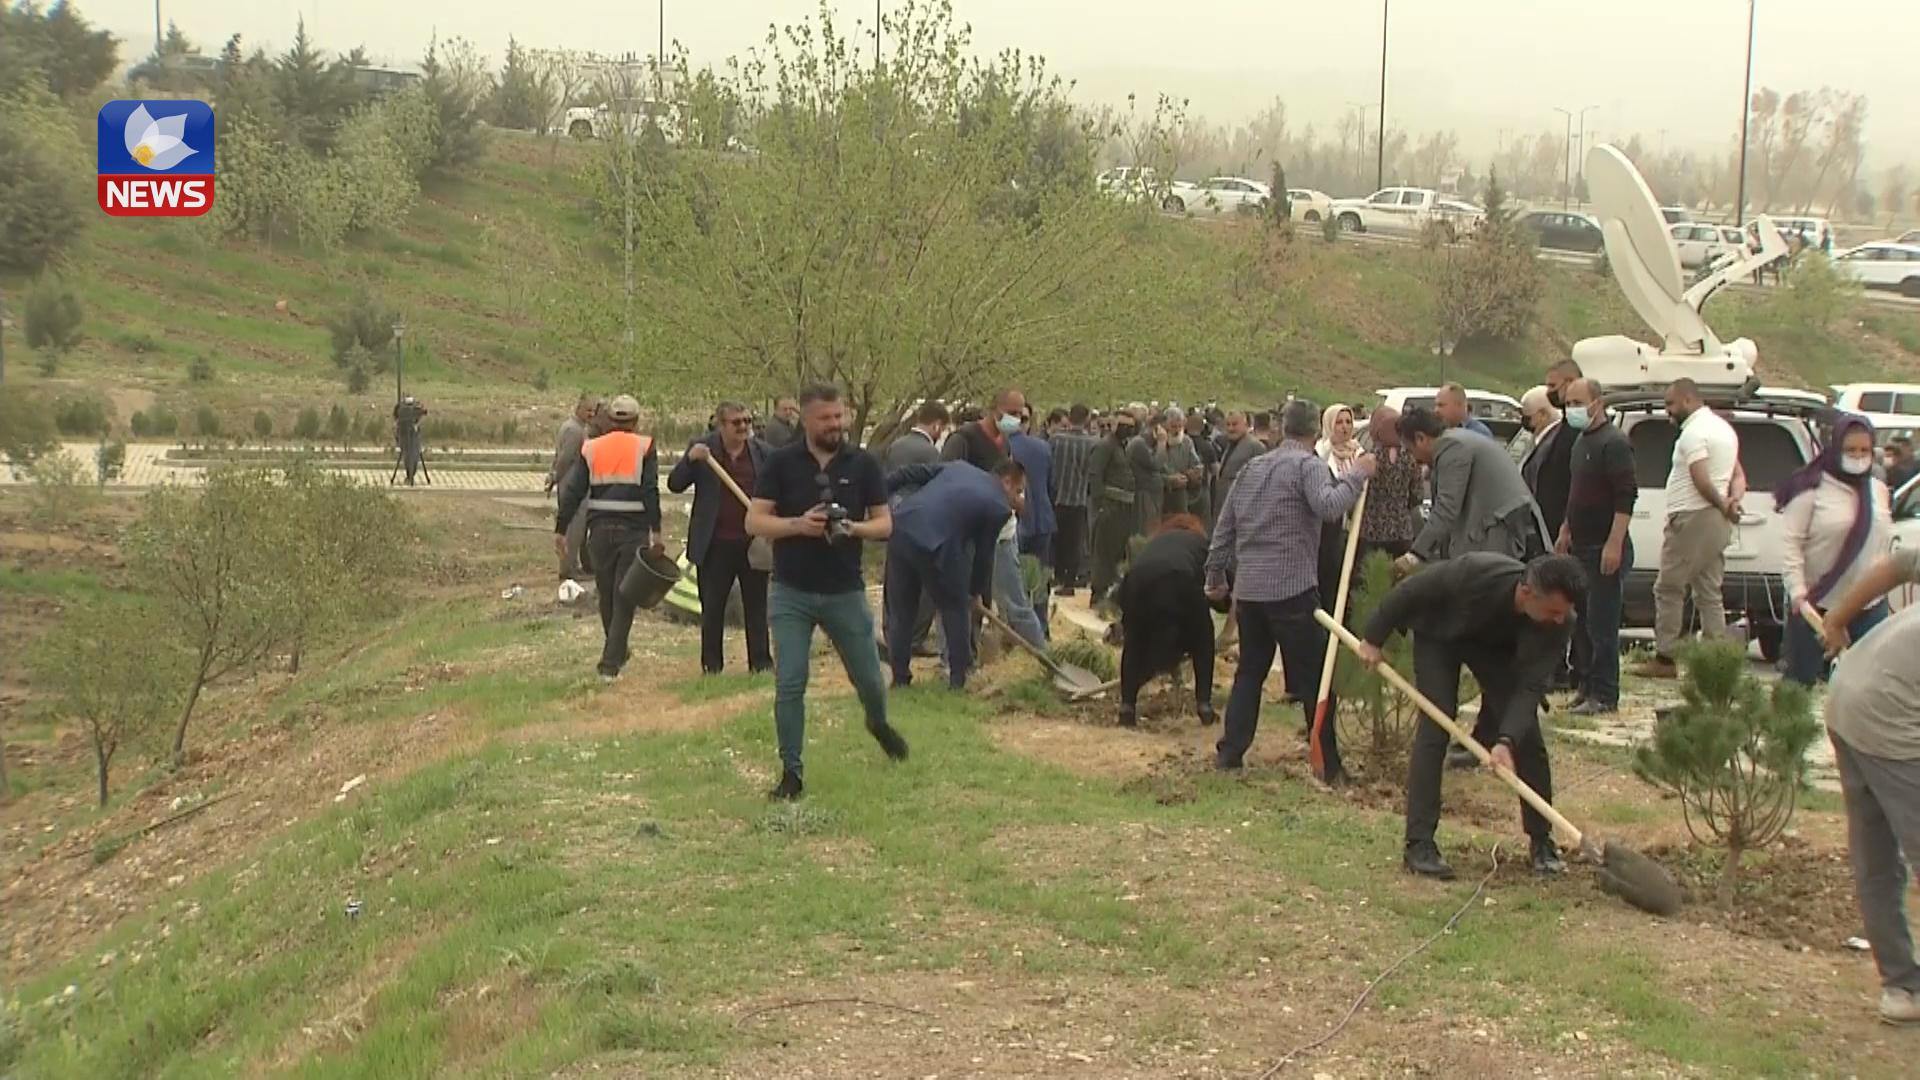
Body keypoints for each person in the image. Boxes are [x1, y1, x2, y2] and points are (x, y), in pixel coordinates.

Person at [1352, 553, 1587, 879]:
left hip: (1494, 650)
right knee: (1436, 727)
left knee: (1528, 738)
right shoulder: (1474, 572)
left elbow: (1529, 687)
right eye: (1553, 612)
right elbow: (1409, 591)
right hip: (1440, 634)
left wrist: (1505, 741)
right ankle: (1419, 844)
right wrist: (1373, 637)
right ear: (1526, 592)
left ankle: (1541, 840)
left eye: (1564, 612)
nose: (1560, 620)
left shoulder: (1560, 622)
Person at [745, 384, 906, 801]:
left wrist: (851, 528)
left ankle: (878, 722)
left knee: (870, 679)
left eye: (840, 417)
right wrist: (798, 525)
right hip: (790, 590)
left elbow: (884, 525)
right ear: (805, 419)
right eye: (826, 418)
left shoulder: (865, 463)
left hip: (844, 590)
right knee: (790, 682)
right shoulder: (780, 463)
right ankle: (791, 773)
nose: (836, 425)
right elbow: (755, 521)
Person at [1205, 400, 1376, 781]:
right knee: (1315, 679)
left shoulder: (1252, 467)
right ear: (1316, 430)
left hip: (1249, 591)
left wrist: (1215, 575)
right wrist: (1358, 475)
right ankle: (1328, 765)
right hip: (1292, 591)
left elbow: (1225, 526)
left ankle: (1230, 753)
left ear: (1283, 428)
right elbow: (1330, 507)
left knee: (1250, 672)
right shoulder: (1308, 466)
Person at [1813, 548, 1920, 1024]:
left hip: (1850, 690)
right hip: (1889, 716)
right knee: (1887, 855)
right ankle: (1904, 987)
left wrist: (1837, 618)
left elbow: (1899, 564)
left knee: (1876, 856)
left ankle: (1901, 986)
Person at [1638, 379, 1747, 679]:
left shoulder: (1694, 433)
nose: (1667, 411)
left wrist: (1723, 503)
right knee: (1709, 588)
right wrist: (1732, 502)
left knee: (1669, 587)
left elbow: (1700, 479)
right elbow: (1738, 475)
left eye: (1671, 404)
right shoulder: (1723, 430)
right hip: (1716, 520)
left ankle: (1666, 657)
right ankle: (1717, 658)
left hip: (1693, 517)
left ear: (1687, 400)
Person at [883, 461, 1025, 689]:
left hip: (902, 527)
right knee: (955, 608)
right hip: (939, 544)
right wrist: (975, 592)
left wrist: (882, 489)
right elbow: (984, 555)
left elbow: (914, 471)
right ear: (1006, 481)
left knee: (901, 611)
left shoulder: (959, 467)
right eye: (1018, 491)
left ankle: (900, 678)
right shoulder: (999, 507)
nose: (1018, 498)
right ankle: (959, 678)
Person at [1778, 413, 1892, 687]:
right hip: (1816, 605)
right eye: (1851, 450)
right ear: (1836, 447)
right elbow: (1791, 543)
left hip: (1868, 605)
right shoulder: (1811, 488)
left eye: (1864, 450)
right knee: (1797, 683)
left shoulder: (1877, 490)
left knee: (1865, 686)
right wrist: (1797, 593)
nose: (1858, 456)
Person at [553, 395, 662, 681]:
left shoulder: (592, 447)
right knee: (625, 595)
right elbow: (650, 490)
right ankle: (610, 662)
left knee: (607, 594)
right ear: (636, 421)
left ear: (611, 420)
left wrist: (561, 528)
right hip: (633, 531)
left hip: (599, 531)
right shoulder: (645, 446)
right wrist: (657, 530)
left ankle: (616, 650)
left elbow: (575, 489)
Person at [668, 400, 772, 676]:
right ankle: (712, 667)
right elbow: (674, 484)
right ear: (721, 424)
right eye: (736, 422)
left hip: (754, 544)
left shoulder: (764, 453)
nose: (744, 427)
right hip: (714, 544)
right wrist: (690, 459)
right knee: (712, 608)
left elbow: (779, 491)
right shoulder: (703, 449)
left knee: (757, 607)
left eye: (747, 421)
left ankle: (761, 664)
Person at [1552, 378, 1636, 716]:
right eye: (1567, 402)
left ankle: (1605, 693)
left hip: (1604, 545)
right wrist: (1565, 530)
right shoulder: (1580, 441)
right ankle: (1585, 685)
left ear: (1597, 403)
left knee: (1603, 625)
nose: (1571, 408)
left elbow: (1625, 496)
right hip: (1580, 544)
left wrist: (1614, 543)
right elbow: (1576, 492)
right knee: (1583, 624)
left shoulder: (1614, 443)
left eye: (1577, 402)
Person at [1398, 407, 1547, 574]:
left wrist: (1414, 555)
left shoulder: (1451, 447)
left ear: (1420, 438)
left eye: (1410, 450)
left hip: (1501, 533)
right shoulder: (1459, 439)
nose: (1413, 459)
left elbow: (1447, 508)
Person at [1118, 515, 1219, 729]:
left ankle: (1126, 706)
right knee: (1203, 639)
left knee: (1135, 641)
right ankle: (1204, 704)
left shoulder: (1156, 543)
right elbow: (1221, 590)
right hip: (1178, 579)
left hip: (1134, 582)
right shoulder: (1203, 545)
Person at [1089, 412, 1141, 612]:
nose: (1127, 429)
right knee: (1104, 552)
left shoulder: (1123, 446)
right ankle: (1099, 593)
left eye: (1130, 425)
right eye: (1123, 425)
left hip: (1124, 506)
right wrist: (1101, 504)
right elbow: (1095, 474)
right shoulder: (1106, 446)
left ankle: (1112, 594)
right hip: (1110, 505)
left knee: (1118, 551)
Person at [1356, 406, 1422, 564]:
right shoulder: (1411, 457)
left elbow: (1356, 493)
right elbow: (1417, 494)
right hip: (1402, 530)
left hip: (1371, 531)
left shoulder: (1368, 457)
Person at [1009, 425, 1057, 631]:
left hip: (1015, 520)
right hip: (1042, 518)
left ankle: (1017, 628)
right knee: (1040, 576)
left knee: (1012, 577)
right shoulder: (1043, 447)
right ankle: (1041, 626)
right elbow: (1052, 485)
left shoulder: (1002, 446)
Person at [547, 393, 599, 582]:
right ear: (578, 409)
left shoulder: (571, 427)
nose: (591, 414)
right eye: (588, 410)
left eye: (593, 411)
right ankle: (568, 568)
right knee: (574, 529)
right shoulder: (575, 431)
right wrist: (556, 476)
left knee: (578, 528)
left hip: (568, 482)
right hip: (572, 483)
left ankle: (578, 565)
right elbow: (565, 458)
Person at [1049, 405, 1100, 595]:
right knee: (1074, 542)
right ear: (1086, 419)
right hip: (1078, 499)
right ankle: (1069, 581)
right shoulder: (1092, 443)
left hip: (1058, 497)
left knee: (1057, 540)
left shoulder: (1056, 440)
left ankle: (1057, 575)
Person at [942, 388, 1024, 470]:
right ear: (994, 409)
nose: (1017, 419)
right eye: (1012, 413)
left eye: (1020, 414)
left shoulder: (1005, 445)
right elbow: (944, 476)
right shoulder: (963, 439)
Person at [1128, 411, 1170, 533]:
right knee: (1146, 530)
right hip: (1144, 495)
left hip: (1153, 494)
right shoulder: (1139, 443)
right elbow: (1156, 464)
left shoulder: (1150, 444)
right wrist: (1162, 443)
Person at [1162, 407, 1204, 519]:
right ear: (1165, 426)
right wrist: (1168, 480)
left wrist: (1192, 474)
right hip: (1161, 496)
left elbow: (1196, 464)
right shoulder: (1157, 442)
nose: (1177, 430)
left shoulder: (1187, 441)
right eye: (1173, 426)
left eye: (1180, 427)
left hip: (1182, 496)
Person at [1216, 409, 1265, 501]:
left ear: (1245, 425)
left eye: (1234, 424)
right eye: (1228, 425)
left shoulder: (1255, 446)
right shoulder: (1230, 445)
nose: (1230, 428)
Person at [393, 396, 428, 485]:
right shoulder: (401, 408)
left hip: (411, 435)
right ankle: (410, 474)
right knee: (408, 454)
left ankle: (410, 474)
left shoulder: (413, 408)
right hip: (405, 434)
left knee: (412, 454)